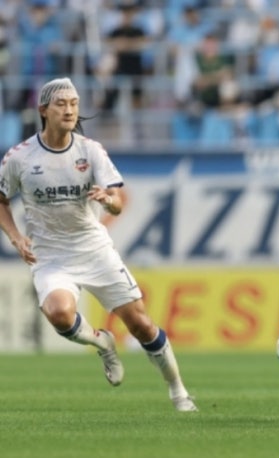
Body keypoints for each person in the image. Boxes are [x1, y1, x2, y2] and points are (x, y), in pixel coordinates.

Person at [0, 77, 197, 412]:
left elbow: (117, 200)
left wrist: (108, 200)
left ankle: (179, 391)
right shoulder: (20, 157)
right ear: (43, 110)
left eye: (74, 104)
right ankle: (101, 342)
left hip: (94, 249)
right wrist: (16, 238)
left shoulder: (90, 151)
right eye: (61, 104)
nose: (69, 110)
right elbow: (1, 199)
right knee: (60, 314)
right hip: (51, 256)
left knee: (141, 325)